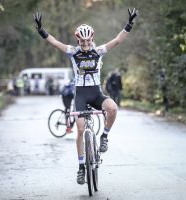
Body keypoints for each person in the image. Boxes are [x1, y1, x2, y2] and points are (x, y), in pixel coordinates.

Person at [33, 8, 138, 185]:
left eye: (88, 40)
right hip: (80, 94)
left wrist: (129, 24)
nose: (86, 43)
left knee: (113, 108)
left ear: (92, 38)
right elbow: (56, 43)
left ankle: (104, 136)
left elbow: (118, 40)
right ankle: (81, 167)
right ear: (78, 39)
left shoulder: (99, 51)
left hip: (96, 93)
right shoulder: (73, 52)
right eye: (82, 40)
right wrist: (41, 30)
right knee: (80, 129)